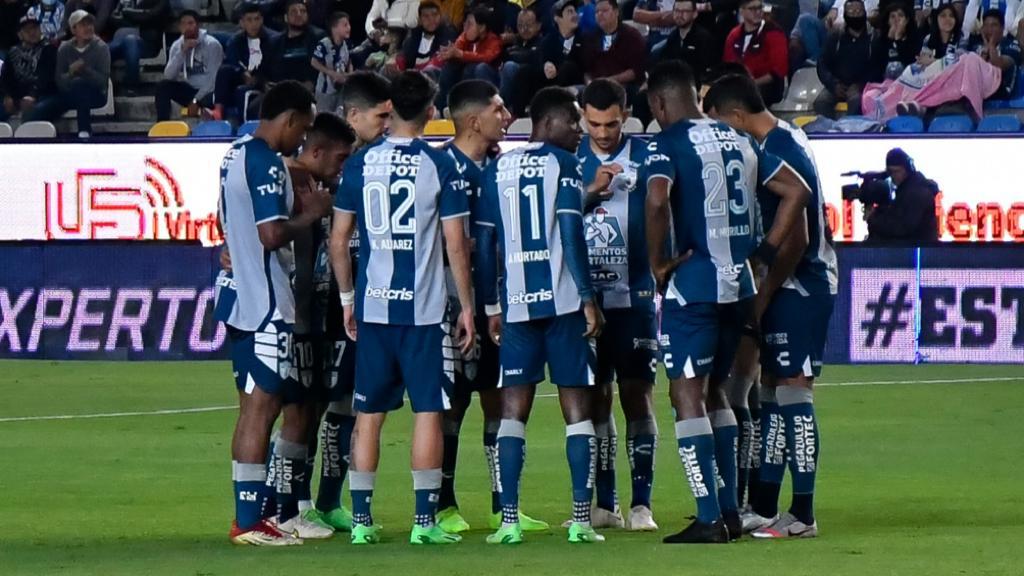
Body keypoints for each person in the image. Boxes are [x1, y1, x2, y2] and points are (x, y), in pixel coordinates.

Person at [643, 59, 809, 544]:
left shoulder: (666, 144)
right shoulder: (740, 139)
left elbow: (656, 200)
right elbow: (795, 191)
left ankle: (710, 516)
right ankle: (731, 511)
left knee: (685, 394)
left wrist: (657, 264)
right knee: (718, 391)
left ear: (657, 103)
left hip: (693, 287)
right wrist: (765, 252)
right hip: (740, 287)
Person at [330, 70, 475, 546]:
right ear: (432, 112)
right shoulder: (441, 167)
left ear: (391, 107)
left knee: (368, 416)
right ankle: (422, 522)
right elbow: (456, 246)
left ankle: (363, 523)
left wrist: (348, 299)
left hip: (373, 309)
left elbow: (338, 241)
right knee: (428, 411)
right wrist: (468, 308)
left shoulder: (360, 163)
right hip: (423, 312)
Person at [703, 72, 838, 539]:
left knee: (794, 394)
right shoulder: (782, 140)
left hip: (802, 285)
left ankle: (802, 514)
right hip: (787, 285)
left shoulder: (776, 148)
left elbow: (797, 237)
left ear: (737, 116)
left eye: (721, 123)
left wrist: (759, 296)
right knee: (774, 394)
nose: (721, 134)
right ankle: (763, 504)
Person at [475, 86, 606, 546]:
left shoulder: (497, 168)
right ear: (549, 123)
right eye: (574, 121)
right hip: (565, 305)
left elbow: (487, 244)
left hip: (514, 308)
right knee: (577, 411)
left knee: (513, 412)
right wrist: (588, 296)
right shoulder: (566, 166)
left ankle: (509, 519)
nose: (580, 130)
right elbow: (571, 234)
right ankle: (580, 520)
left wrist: (490, 307)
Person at [215, 80, 332, 546]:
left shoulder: (233, 154)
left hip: (239, 298)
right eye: (301, 128)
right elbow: (270, 235)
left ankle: (250, 518)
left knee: (252, 409)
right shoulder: (263, 159)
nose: (300, 139)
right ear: (288, 118)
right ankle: (248, 522)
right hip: (266, 303)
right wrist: (314, 212)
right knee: (263, 410)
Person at [432, 80, 551, 536]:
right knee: (452, 404)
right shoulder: (442, 166)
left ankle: (506, 506)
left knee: (498, 400)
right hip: (453, 304)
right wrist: (468, 305)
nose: (507, 116)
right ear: (473, 119)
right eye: (499, 109)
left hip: (501, 302)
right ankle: (443, 504)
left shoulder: (502, 167)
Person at [576, 78, 660, 532]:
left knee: (637, 396)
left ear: (627, 112)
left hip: (636, 299)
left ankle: (641, 504)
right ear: (581, 115)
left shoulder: (648, 157)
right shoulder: (572, 160)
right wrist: (590, 193)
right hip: (587, 302)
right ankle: (604, 502)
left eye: (612, 123)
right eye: (594, 123)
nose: (604, 132)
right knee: (594, 400)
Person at [279, 112, 358, 535]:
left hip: (327, 314)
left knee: (321, 409)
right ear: (316, 151)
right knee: (297, 413)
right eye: (339, 158)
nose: (343, 167)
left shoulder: (333, 187)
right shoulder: (287, 180)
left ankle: (310, 504)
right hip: (298, 316)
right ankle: (286, 508)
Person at [27, 10, 108, 138]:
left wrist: (85, 70)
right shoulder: (64, 48)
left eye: (90, 24)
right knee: (39, 110)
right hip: (69, 94)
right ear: (73, 29)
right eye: (83, 25)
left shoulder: (101, 48)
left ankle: (84, 132)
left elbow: (102, 82)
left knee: (81, 86)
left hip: (96, 95)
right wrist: (71, 73)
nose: (88, 28)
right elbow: (60, 82)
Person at [214, 2, 278, 122]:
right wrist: (242, 73)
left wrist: (258, 78)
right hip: (243, 75)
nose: (254, 24)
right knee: (224, 70)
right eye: (249, 20)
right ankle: (217, 112)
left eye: (257, 19)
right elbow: (232, 61)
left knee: (242, 91)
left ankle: (244, 126)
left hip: (264, 78)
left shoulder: (273, 39)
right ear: (242, 23)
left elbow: (273, 64)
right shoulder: (235, 40)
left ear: (262, 20)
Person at [156, 10, 224, 121]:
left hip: (209, 91)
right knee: (162, 87)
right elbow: (168, 76)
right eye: (183, 24)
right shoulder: (177, 45)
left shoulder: (212, 45)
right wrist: (182, 52)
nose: (187, 27)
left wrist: (196, 100)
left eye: (191, 23)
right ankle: (162, 125)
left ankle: (207, 113)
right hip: (190, 89)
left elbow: (214, 80)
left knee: (212, 96)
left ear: (198, 25)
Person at [864, 148, 940, 243]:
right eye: (890, 172)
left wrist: (873, 219)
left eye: (897, 171)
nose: (893, 176)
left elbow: (901, 227)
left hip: (916, 252)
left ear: (907, 170)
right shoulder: (908, 190)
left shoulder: (916, 193)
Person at [723, 0, 788, 105]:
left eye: (759, 8)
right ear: (742, 11)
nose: (757, 12)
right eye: (752, 9)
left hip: (767, 87)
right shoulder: (734, 35)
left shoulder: (773, 32)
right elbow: (728, 65)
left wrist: (753, 83)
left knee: (746, 96)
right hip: (739, 84)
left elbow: (779, 70)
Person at [435, 8, 503, 108]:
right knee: (449, 67)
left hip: (488, 80)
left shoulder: (493, 40)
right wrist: (449, 54)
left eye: (469, 24)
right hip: (465, 76)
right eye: (464, 23)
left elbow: (487, 57)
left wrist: (461, 54)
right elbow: (456, 49)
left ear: (482, 27)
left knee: (475, 67)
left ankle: (468, 106)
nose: (465, 27)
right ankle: (443, 107)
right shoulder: (465, 37)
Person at [815, 0, 873, 117]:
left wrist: (860, 84)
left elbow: (877, 67)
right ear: (845, 14)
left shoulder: (874, 37)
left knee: (856, 101)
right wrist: (833, 84)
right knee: (821, 102)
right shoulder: (835, 35)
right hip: (837, 84)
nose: (855, 15)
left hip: (862, 86)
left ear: (865, 13)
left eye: (859, 11)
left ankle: (851, 133)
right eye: (851, 12)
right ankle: (829, 132)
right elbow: (822, 64)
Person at [583, 0, 647, 104]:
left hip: (625, 86)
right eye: (597, 12)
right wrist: (590, 84)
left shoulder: (632, 36)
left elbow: (636, 71)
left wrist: (609, 81)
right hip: (596, 88)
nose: (600, 14)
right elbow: (586, 70)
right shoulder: (590, 37)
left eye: (604, 11)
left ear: (616, 12)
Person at [0, 16, 56, 121]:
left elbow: (46, 78)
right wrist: (8, 96)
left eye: (34, 28)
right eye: (27, 30)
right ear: (20, 35)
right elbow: (5, 78)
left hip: (43, 95)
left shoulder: (49, 49)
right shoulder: (13, 52)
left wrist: (32, 96)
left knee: (33, 113)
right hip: (18, 97)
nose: (32, 32)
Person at [107, 0, 170, 92]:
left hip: (148, 45)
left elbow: (149, 17)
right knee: (102, 49)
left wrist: (127, 13)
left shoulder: (162, 2)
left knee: (130, 40)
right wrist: (124, 14)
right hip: (122, 40)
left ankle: (131, 85)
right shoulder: (130, 2)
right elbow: (114, 20)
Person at [653, 0, 716, 83]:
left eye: (685, 11)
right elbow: (665, 64)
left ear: (694, 14)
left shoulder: (704, 38)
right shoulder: (673, 37)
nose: (679, 15)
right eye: (677, 11)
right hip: (673, 84)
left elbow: (707, 72)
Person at [966, 8, 1021, 99]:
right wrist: (985, 49)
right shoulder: (975, 45)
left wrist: (991, 45)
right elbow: (974, 70)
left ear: (1002, 28)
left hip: (1002, 92)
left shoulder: (1011, 45)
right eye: (986, 25)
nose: (989, 29)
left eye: (994, 25)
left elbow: (998, 64)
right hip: (979, 90)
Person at [500, 6, 544, 117]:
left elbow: (534, 60)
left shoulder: (543, 43)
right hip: (506, 80)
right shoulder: (513, 43)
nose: (524, 29)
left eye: (528, 25)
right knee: (482, 68)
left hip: (530, 84)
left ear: (538, 25)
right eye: (520, 25)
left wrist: (515, 58)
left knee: (509, 66)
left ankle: (501, 108)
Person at [266, 0, 320, 91]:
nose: (299, 14)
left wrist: (313, 82)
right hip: (278, 90)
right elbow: (263, 70)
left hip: (309, 92)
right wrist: (265, 84)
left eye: (303, 11)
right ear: (286, 18)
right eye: (294, 11)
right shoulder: (274, 42)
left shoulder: (318, 38)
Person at [399, 1, 456, 78]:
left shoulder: (448, 33)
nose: (431, 19)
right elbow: (404, 54)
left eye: (435, 15)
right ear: (420, 19)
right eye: (426, 16)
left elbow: (441, 57)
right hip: (410, 77)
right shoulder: (414, 34)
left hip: (434, 79)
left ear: (440, 16)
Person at [311, 12, 352, 114]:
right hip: (325, 91)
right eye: (345, 25)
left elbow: (348, 61)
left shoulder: (346, 43)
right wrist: (331, 73)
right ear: (334, 28)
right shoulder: (324, 44)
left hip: (341, 89)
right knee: (324, 120)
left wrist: (350, 73)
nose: (349, 28)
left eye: (349, 24)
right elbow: (314, 62)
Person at [870, 2, 922, 81]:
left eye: (900, 16)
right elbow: (876, 68)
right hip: (884, 86)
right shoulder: (880, 42)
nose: (896, 20)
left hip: (910, 84)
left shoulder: (915, 39)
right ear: (888, 21)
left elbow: (911, 63)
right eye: (892, 16)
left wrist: (898, 40)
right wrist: (889, 40)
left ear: (907, 20)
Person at [540, 0, 586, 89]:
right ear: (557, 18)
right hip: (550, 84)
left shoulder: (584, 39)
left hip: (576, 86)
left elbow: (582, 67)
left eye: (575, 11)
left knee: (568, 67)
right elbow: (542, 61)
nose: (575, 15)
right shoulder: (547, 42)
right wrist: (546, 66)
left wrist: (557, 69)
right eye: (570, 12)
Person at [339, 70, 393, 146]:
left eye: (392, 116)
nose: (389, 124)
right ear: (354, 115)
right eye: (382, 116)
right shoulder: (331, 152)